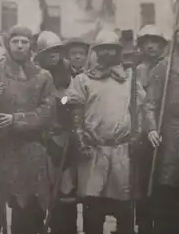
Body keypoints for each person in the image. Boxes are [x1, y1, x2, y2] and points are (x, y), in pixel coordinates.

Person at [0, 25, 56, 234]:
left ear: (30, 45)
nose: (19, 46)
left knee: (28, 212)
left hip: (30, 151)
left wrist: (15, 119)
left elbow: (47, 113)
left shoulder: (43, 76)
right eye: (15, 41)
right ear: (8, 44)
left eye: (24, 42)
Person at [67, 30, 145, 234]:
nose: (109, 53)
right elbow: (75, 111)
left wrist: (137, 136)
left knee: (124, 210)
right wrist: (80, 138)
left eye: (113, 48)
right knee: (93, 210)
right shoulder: (83, 80)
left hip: (122, 152)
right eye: (104, 49)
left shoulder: (129, 79)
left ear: (119, 51)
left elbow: (139, 110)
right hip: (93, 152)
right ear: (96, 52)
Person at [34, 31, 78, 234]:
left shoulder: (70, 71)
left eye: (57, 51)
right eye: (48, 51)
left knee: (66, 190)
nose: (53, 55)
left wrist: (66, 101)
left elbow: (74, 96)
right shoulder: (35, 73)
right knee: (43, 189)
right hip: (40, 137)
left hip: (64, 136)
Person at [143, 30, 179, 234]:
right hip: (171, 136)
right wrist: (152, 129)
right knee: (168, 194)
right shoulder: (164, 67)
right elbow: (150, 104)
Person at [133, 25, 167, 234]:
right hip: (140, 133)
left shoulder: (169, 66)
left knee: (162, 183)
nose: (151, 46)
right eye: (147, 42)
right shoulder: (137, 70)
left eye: (155, 41)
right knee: (141, 183)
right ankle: (143, 224)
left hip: (163, 133)